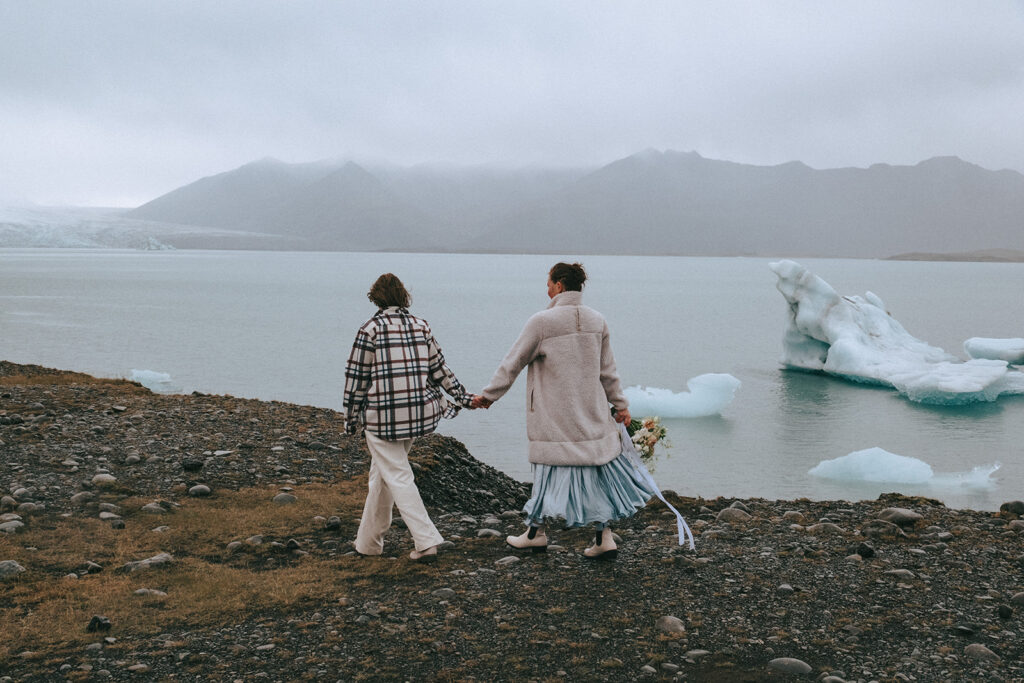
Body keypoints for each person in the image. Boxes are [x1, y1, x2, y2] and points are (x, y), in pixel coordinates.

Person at [472, 262, 654, 560]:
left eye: (548, 282)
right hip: (592, 413)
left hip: (554, 415)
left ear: (558, 285)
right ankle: (604, 537)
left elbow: (513, 363)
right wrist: (620, 406)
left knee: (548, 471)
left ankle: (536, 534)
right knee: (597, 474)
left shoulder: (542, 322)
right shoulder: (598, 321)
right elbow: (608, 371)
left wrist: (489, 396)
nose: (546, 288)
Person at [343, 273, 476, 562]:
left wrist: (351, 419)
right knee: (382, 477)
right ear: (404, 296)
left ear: (376, 298)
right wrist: (464, 398)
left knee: (398, 476)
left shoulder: (370, 330)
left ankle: (426, 541)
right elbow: (440, 369)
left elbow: (356, 379)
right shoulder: (421, 326)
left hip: (382, 419)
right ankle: (367, 544)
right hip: (415, 415)